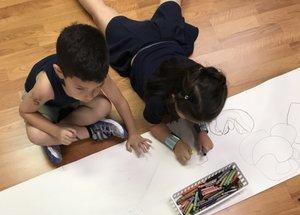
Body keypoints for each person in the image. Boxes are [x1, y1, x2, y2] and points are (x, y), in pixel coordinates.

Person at [78, 0, 227, 165]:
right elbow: (153, 124)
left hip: (168, 37)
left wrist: (202, 132)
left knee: (171, 5)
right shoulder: (158, 97)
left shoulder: (199, 75)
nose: (196, 123)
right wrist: (175, 143)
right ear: (174, 99)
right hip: (133, 44)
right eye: (194, 120)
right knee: (96, 9)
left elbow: (198, 102)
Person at [19, 23, 151, 165]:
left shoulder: (97, 73)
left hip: (69, 102)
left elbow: (119, 100)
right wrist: (55, 131)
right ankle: (91, 131)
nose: (90, 96)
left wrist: (133, 133)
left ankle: (58, 138)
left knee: (104, 106)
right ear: (60, 73)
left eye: (97, 86)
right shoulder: (43, 88)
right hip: (46, 105)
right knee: (35, 135)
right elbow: (25, 112)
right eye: (81, 88)